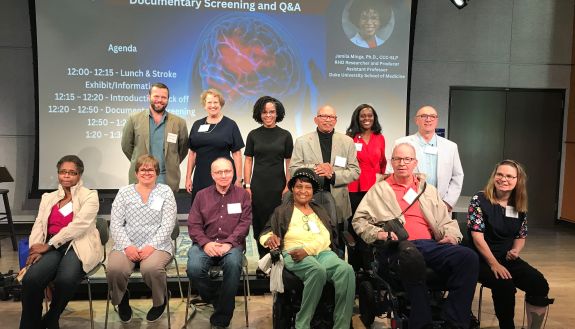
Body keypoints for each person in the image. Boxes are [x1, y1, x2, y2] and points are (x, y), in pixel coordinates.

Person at [353, 143, 478, 329]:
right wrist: (379, 233)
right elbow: (359, 221)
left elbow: (446, 220)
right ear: (391, 162)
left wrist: (452, 236)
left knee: (468, 257)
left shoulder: (428, 190)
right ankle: (422, 323)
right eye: (397, 159)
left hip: (430, 244)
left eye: (407, 159)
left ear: (415, 162)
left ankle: (455, 321)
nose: (402, 163)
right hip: (398, 247)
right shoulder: (379, 190)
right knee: (411, 254)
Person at [259, 168, 355, 329]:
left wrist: (309, 250)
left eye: (308, 187)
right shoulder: (282, 210)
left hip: (321, 252)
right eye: (299, 186)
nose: (303, 191)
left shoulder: (320, 210)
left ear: (313, 191)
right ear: (292, 189)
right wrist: (269, 239)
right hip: (294, 252)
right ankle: (302, 324)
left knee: (346, 271)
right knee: (317, 271)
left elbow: (326, 236)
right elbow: (265, 232)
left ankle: (341, 325)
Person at [468, 160, 552, 329]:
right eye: (500, 174)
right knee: (504, 284)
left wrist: (515, 250)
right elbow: (477, 237)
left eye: (509, 176)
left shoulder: (519, 203)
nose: (504, 179)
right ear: (494, 176)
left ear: (517, 180)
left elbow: (521, 235)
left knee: (539, 284)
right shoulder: (480, 199)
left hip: (506, 257)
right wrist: (494, 264)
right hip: (480, 258)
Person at [19, 155, 102, 329]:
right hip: (49, 247)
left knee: (65, 280)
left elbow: (78, 226)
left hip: (78, 245)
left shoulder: (90, 196)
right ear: (58, 174)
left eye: (72, 172)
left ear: (79, 175)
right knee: (31, 280)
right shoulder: (48, 197)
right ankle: (30, 325)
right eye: (63, 172)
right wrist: (35, 248)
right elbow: (39, 224)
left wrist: (49, 245)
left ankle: (51, 317)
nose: (67, 176)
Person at [106, 155, 177, 323]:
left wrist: (151, 246)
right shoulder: (124, 192)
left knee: (151, 269)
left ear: (157, 173)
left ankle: (160, 301)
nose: (146, 172)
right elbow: (115, 224)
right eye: (143, 169)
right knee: (115, 269)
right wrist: (128, 247)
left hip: (158, 244)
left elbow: (168, 224)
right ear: (136, 173)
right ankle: (122, 299)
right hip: (127, 243)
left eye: (150, 169)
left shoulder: (165, 192)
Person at [187, 157, 252, 329]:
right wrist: (206, 244)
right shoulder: (201, 196)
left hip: (232, 246)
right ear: (212, 175)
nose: (224, 175)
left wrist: (229, 243)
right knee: (193, 268)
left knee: (233, 263)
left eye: (227, 171)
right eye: (219, 172)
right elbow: (193, 225)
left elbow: (244, 224)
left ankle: (222, 317)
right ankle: (218, 299)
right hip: (204, 244)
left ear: (233, 172)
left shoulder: (243, 195)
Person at [289, 105, 360, 253]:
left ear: (336, 120)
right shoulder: (302, 141)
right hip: (310, 200)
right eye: (323, 116)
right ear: (316, 119)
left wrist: (333, 175)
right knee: (310, 242)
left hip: (338, 201)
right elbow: (294, 168)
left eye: (331, 117)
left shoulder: (347, 142)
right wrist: (317, 168)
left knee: (336, 245)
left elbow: (355, 171)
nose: (327, 120)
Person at [244, 96, 293, 265]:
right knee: (259, 223)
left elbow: (289, 162)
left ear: (277, 113)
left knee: (278, 222)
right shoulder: (253, 135)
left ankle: (278, 261)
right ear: (259, 114)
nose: (268, 115)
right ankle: (262, 261)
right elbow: (248, 160)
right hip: (258, 187)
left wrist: (288, 185)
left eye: (272, 112)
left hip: (279, 187)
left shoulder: (285, 135)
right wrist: (247, 185)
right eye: (264, 112)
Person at [121, 82, 189, 193]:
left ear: (168, 99)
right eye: (156, 96)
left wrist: (172, 162)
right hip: (142, 176)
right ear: (149, 97)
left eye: (163, 97)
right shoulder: (134, 119)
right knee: (140, 210)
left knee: (166, 210)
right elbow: (126, 146)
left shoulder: (179, 122)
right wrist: (139, 162)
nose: (160, 100)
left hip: (167, 178)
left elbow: (183, 150)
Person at [395, 105, 463, 211]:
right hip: (409, 204)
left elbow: (457, 176)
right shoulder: (401, 143)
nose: (428, 119)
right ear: (416, 120)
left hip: (440, 205)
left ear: (436, 121)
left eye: (432, 116)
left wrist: (448, 202)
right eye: (424, 116)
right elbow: (391, 173)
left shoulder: (450, 147)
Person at [345, 104, 386, 270]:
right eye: (363, 116)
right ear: (357, 118)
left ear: (374, 117)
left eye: (370, 115)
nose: (367, 118)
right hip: (354, 188)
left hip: (374, 189)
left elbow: (382, 163)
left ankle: (371, 267)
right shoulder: (350, 138)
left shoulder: (380, 137)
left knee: (372, 226)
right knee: (355, 227)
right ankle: (355, 268)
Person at [185, 88, 244, 202]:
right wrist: (188, 178)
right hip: (201, 175)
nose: (212, 105)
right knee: (201, 207)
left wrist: (238, 179)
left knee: (224, 209)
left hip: (223, 175)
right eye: (209, 102)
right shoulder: (197, 124)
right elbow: (192, 153)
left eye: (216, 102)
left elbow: (237, 154)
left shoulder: (230, 124)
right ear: (204, 105)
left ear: (220, 104)